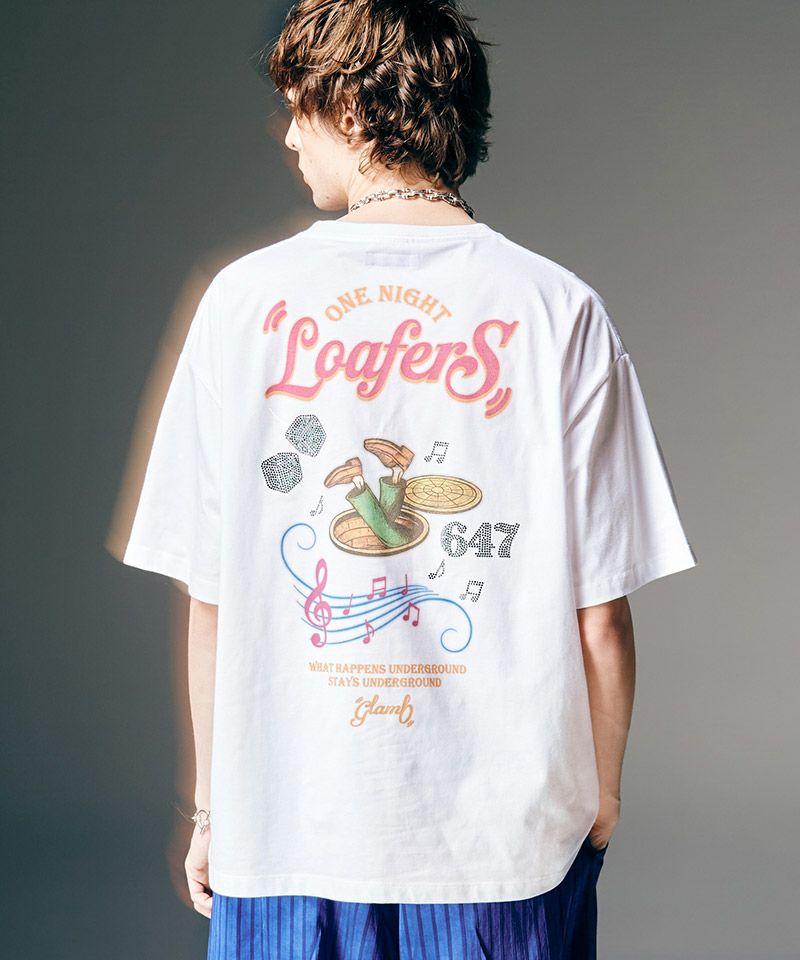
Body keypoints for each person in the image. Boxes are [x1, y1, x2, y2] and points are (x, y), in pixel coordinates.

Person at [121, 1, 698, 957]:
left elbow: (213, 598)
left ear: (350, 109)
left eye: (298, 108)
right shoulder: (558, 308)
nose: (288, 137)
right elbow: (601, 612)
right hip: (503, 854)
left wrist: (215, 811)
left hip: (288, 837)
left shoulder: (241, 303)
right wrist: (602, 793)